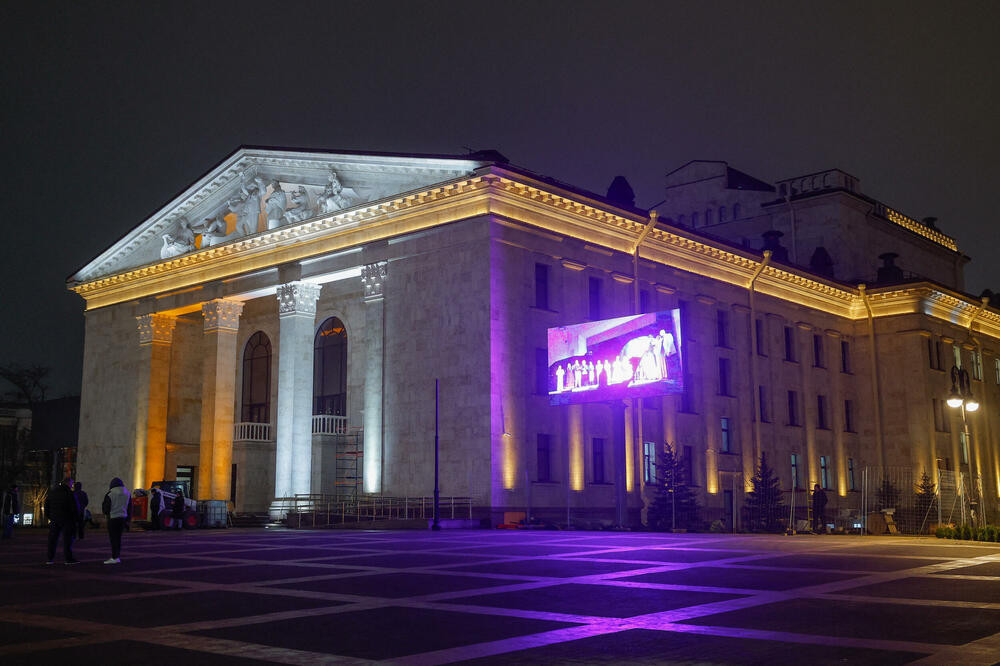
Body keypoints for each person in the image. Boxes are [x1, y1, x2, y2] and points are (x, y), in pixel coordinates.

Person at [45, 477, 80, 564]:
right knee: (67, 540)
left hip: (54, 519)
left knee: (52, 540)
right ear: (68, 483)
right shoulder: (69, 493)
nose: (72, 485)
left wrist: (50, 516)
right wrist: (75, 518)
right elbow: (75, 508)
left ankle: (50, 559)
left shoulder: (52, 493)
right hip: (67, 519)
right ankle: (68, 559)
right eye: (71, 484)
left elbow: (46, 506)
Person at [103, 477, 131, 564]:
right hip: (122, 518)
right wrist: (128, 519)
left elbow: (106, 508)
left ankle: (115, 557)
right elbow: (130, 508)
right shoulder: (127, 493)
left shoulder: (110, 494)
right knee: (118, 538)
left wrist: (106, 514)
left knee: (113, 538)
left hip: (112, 518)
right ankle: (117, 555)